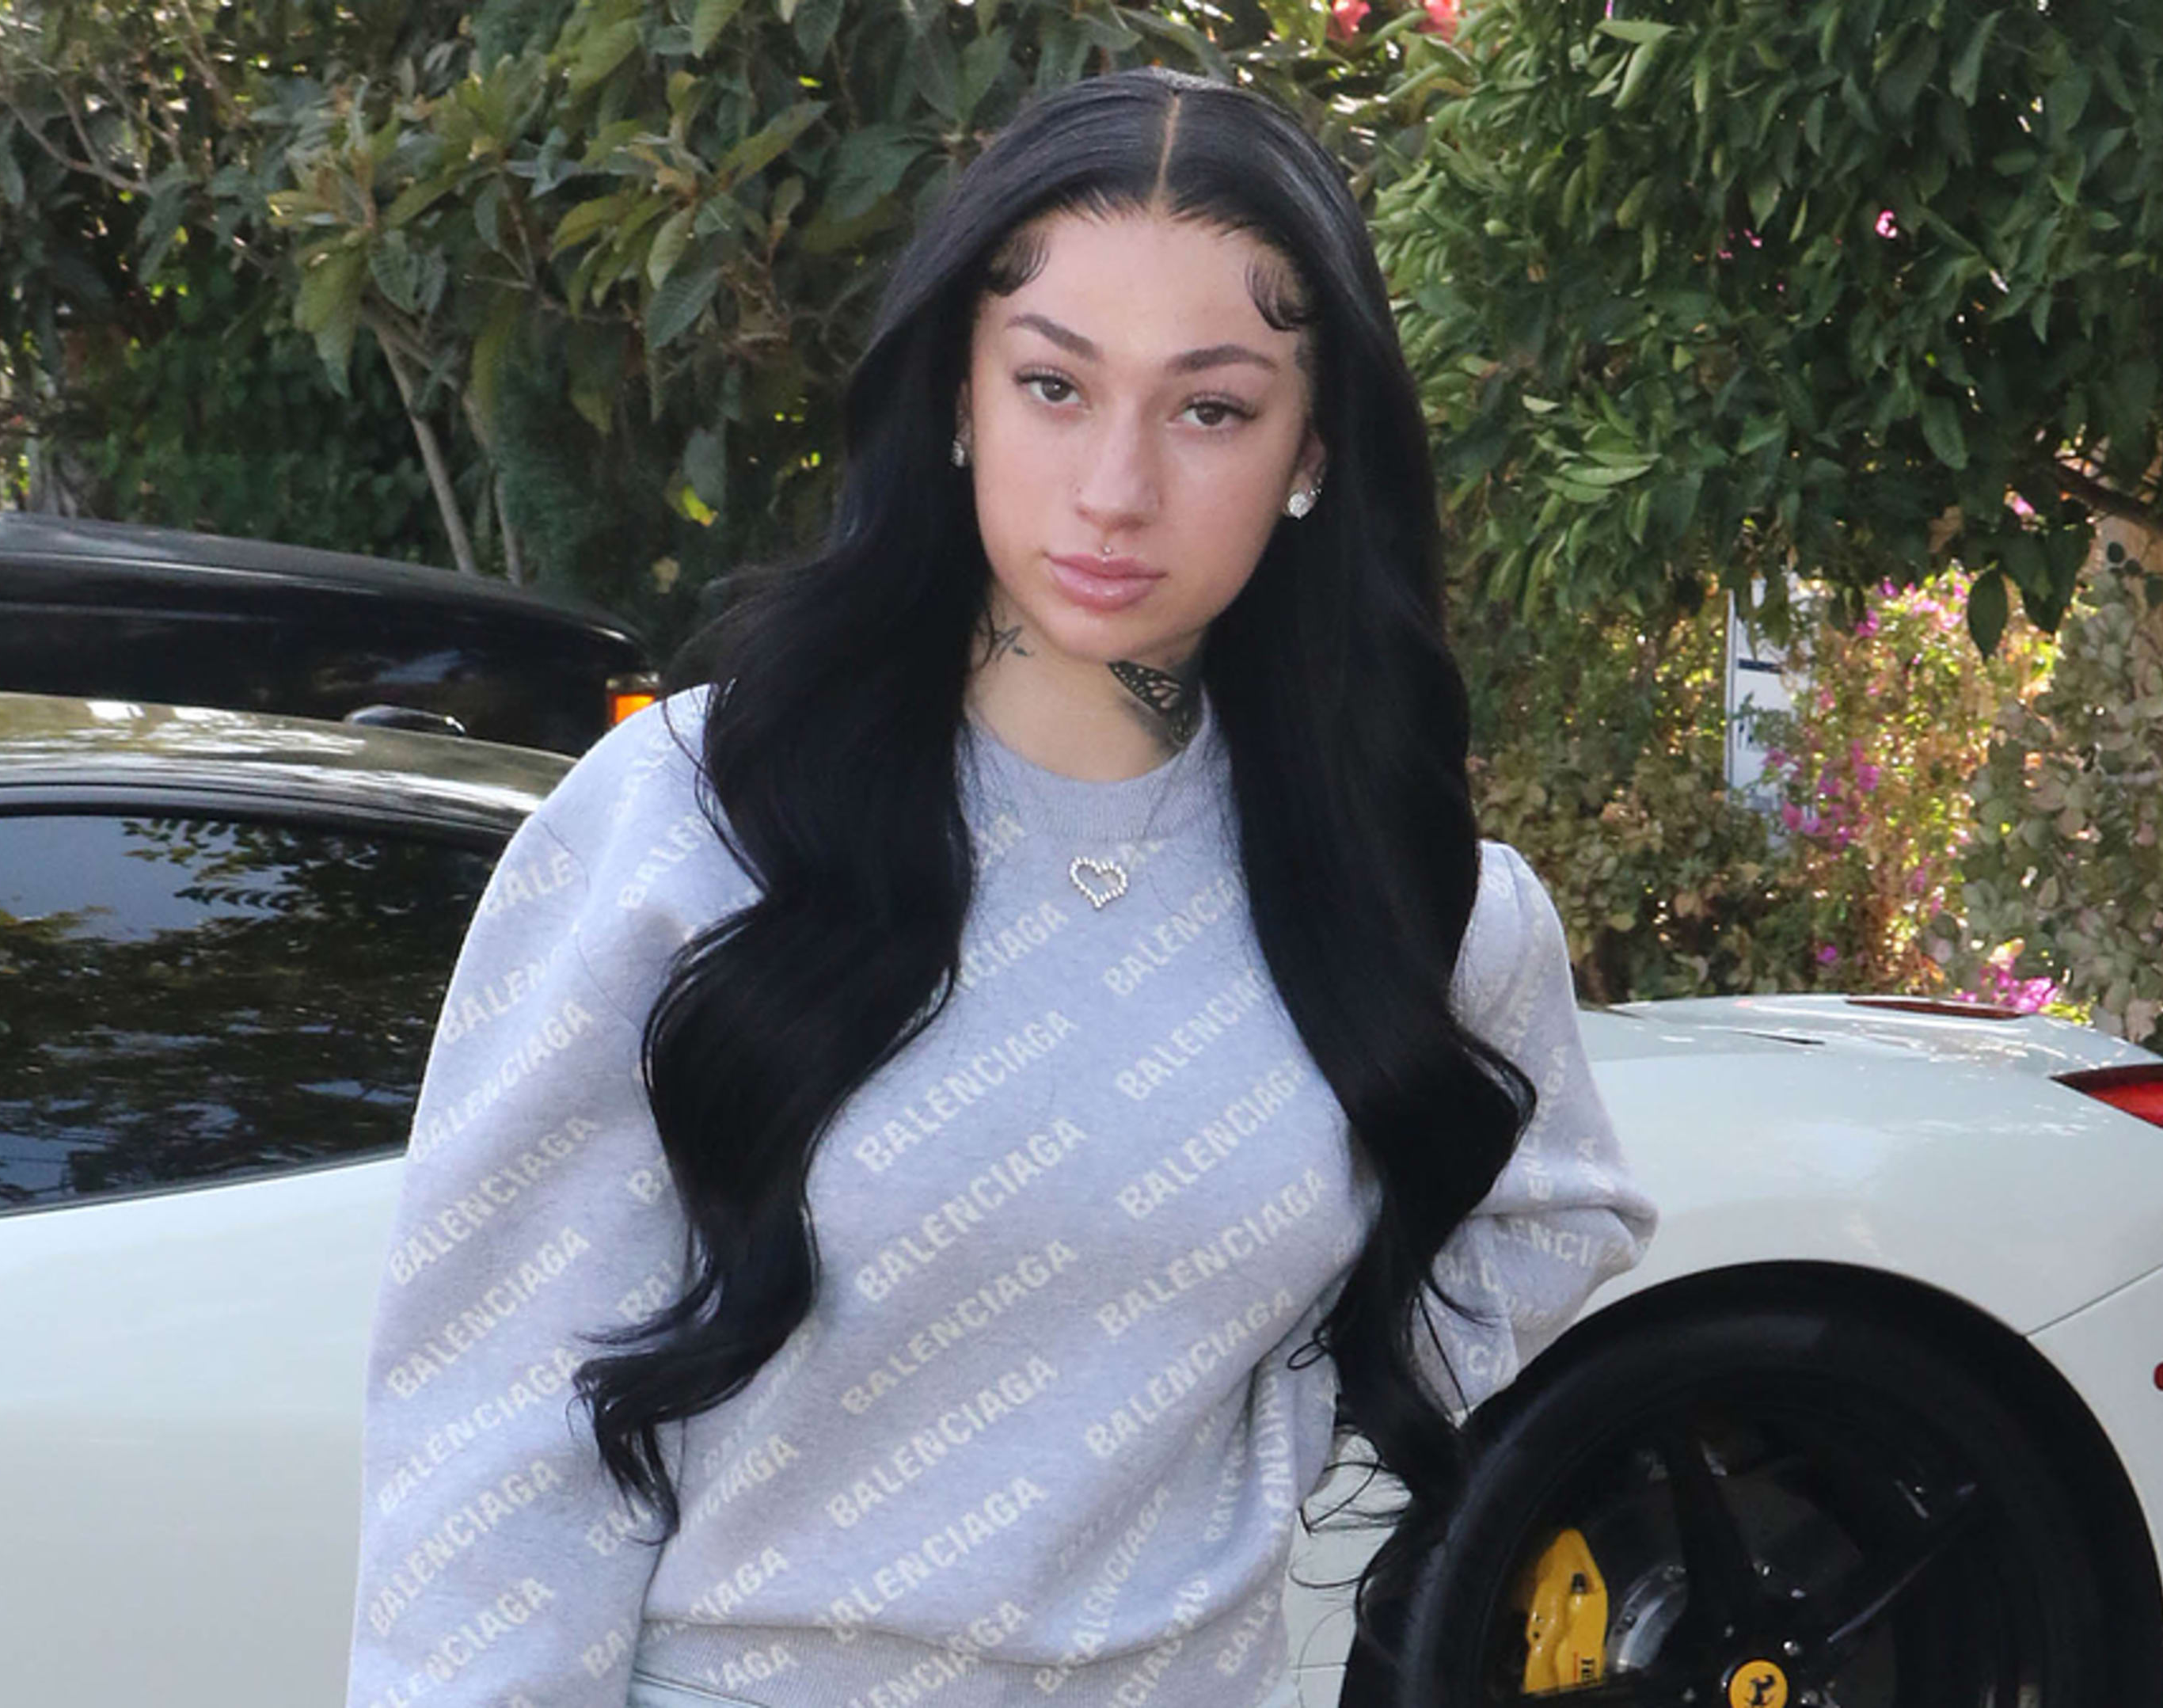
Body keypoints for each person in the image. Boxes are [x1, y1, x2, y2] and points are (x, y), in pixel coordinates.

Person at [341, 66, 1659, 1708]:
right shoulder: (686, 819)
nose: (1116, 488)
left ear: (1311, 452)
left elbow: (1555, 1213)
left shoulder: (1418, 898)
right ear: (958, 394)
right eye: (1054, 386)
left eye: (1211, 408)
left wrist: (1267, 1426)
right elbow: (498, 1446)